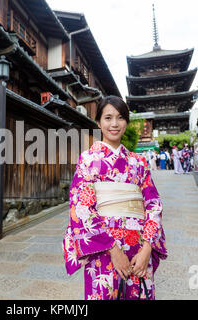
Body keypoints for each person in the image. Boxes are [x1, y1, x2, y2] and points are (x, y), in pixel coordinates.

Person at [62, 95, 167, 300]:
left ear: (127, 122)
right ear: (99, 122)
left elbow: (153, 204)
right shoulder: (88, 160)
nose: (114, 124)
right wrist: (112, 249)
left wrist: (147, 248)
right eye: (108, 118)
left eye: (120, 118)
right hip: (102, 249)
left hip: (138, 248)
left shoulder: (139, 162)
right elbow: (81, 207)